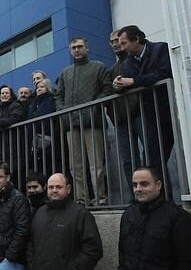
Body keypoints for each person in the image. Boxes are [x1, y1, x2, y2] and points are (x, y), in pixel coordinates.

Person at [115, 25, 175, 199]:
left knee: (158, 160)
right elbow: (129, 85)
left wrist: (133, 81)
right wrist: (118, 86)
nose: (122, 47)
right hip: (147, 115)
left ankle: (165, 199)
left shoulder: (160, 49)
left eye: (124, 43)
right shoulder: (128, 62)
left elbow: (164, 73)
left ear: (137, 39)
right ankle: (157, 199)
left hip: (165, 110)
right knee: (153, 160)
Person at [56, 37, 112, 205]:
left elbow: (108, 88)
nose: (76, 50)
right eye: (73, 47)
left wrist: (94, 107)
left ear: (87, 48)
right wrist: (62, 111)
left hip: (93, 123)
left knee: (96, 164)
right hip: (71, 125)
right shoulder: (66, 72)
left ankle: (100, 198)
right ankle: (81, 200)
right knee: (76, 166)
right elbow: (59, 95)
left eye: (80, 46)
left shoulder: (98, 67)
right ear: (70, 50)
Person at [118, 166, 191, 269]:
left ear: (158, 185)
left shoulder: (177, 217)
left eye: (144, 184)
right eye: (135, 185)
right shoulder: (128, 215)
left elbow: (185, 260)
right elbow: (123, 253)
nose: (138, 189)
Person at [27, 173, 103, 270]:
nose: (54, 190)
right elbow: (30, 245)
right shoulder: (39, 213)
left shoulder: (81, 214)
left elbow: (93, 250)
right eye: (51, 187)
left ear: (68, 189)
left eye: (59, 187)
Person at [107, 29, 140, 197]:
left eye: (117, 40)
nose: (115, 43)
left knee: (152, 157)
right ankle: (136, 197)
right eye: (111, 41)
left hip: (141, 114)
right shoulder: (112, 69)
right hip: (121, 119)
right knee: (128, 161)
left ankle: (161, 195)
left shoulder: (137, 60)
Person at [0, 161, 30, 270]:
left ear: (7, 178)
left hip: (7, 261)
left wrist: (10, 256)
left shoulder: (18, 198)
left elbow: (22, 230)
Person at [26, 79, 57, 175]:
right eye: (37, 88)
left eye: (42, 87)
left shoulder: (52, 100)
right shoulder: (33, 103)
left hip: (48, 138)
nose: (38, 89)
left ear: (47, 88)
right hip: (35, 141)